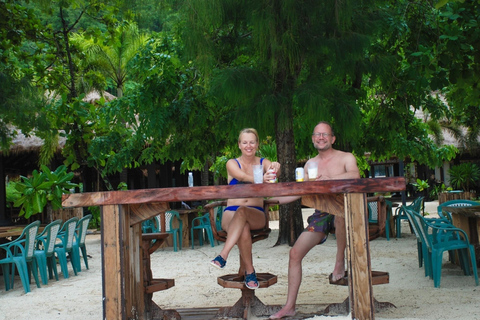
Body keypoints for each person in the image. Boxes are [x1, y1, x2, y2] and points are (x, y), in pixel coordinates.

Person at [269, 121, 360, 319]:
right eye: (317, 134)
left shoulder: (346, 157)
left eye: (325, 134)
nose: (321, 137)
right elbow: (300, 191)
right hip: (321, 214)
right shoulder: (310, 164)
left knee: (340, 216)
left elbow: (355, 175)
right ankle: (289, 307)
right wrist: (270, 200)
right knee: (294, 253)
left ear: (332, 138)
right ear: (313, 139)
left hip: (344, 209)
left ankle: (339, 263)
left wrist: (328, 179)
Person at [210, 128, 280, 290]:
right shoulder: (232, 163)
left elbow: (274, 172)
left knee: (243, 211)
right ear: (239, 145)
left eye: (252, 142)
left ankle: (223, 255)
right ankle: (250, 272)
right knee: (243, 224)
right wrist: (259, 179)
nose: (248, 145)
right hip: (231, 213)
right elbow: (241, 177)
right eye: (245, 142)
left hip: (256, 213)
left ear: (257, 144)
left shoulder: (263, 162)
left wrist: (275, 167)